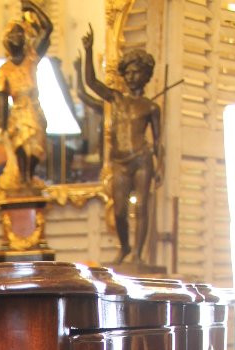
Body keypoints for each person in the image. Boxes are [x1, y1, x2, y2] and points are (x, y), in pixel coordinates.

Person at [81, 25, 162, 263]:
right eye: (128, 72)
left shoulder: (151, 107)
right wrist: (88, 51)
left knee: (142, 207)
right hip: (120, 161)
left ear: (145, 75)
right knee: (119, 210)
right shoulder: (116, 99)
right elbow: (91, 82)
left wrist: (160, 167)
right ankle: (125, 246)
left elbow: (158, 143)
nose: (131, 77)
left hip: (142, 158)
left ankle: (137, 254)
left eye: (137, 72)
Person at [0, 1, 53, 190]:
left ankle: (30, 177)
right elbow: (2, 100)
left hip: (34, 111)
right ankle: (24, 179)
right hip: (18, 114)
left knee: (36, 149)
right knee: (21, 148)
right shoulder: (5, 69)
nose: (16, 36)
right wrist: (0, 125)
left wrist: (32, 7)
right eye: (12, 33)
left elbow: (47, 28)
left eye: (20, 32)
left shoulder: (31, 60)